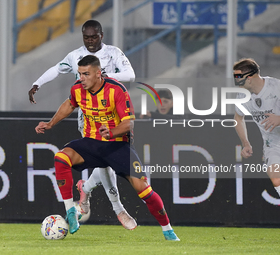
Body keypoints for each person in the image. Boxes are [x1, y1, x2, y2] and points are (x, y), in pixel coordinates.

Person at [35, 55, 180, 240]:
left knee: (143, 189)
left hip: (117, 145)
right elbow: (70, 104)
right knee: (61, 157)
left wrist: (111, 132)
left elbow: (129, 124)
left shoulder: (116, 90)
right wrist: (50, 123)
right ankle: (70, 211)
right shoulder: (78, 89)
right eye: (80, 74)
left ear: (98, 73)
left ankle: (168, 230)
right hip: (91, 143)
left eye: (86, 74)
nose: (82, 78)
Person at [29, 20, 137, 229]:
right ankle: (118, 209)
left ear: (101, 35)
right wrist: (37, 83)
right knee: (103, 162)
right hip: (88, 118)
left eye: (93, 37)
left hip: (116, 117)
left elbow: (130, 75)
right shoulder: (74, 56)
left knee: (108, 162)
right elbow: (56, 69)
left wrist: (104, 76)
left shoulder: (114, 53)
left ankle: (86, 188)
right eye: (86, 37)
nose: (90, 41)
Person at [233, 58, 280, 197]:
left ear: (250, 77)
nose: (236, 82)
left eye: (238, 77)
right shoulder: (242, 96)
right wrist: (245, 142)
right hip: (273, 145)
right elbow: (238, 118)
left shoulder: (276, 87)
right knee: (276, 178)